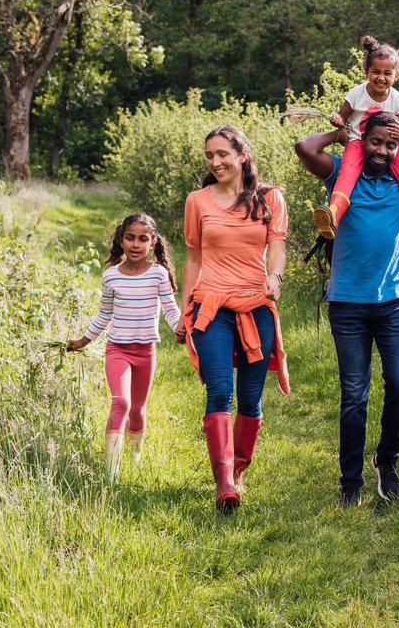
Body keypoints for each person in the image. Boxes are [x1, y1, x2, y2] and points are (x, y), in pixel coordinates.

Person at [295, 110, 399, 505]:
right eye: (376, 142)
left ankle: (386, 462)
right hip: (347, 303)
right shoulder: (342, 172)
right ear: (362, 143)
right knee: (354, 395)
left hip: (394, 303)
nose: (382, 151)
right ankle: (349, 483)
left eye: (389, 145)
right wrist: (342, 136)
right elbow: (305, 148)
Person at [175, 125, 289, 514]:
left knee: (251, 397)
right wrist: (182, 312)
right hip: (210, 307)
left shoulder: (269, 198)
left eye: (223, 153)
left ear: (242, 155)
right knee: (220, 388)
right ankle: (225, 485)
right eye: (209, 156)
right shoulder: (197, 201)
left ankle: (239, 470)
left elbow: (277, 248)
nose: (215, 162)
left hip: (256, 305)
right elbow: (192, 258)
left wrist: (274, 278)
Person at [67, 213, 181, 481]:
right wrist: (83, 340)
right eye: (130, 238)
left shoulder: (158, 274)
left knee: (138, 410)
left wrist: (180, 329)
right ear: (121, 240)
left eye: (143, 239)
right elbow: (103, 314)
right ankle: (111, 472)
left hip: (146, 352)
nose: (135, 244)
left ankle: (134, 456)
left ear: (153, 242)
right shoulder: (111, 276)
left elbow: (170, 310)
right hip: (117, 349)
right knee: (121, 402)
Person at [312, 35, 399, 242]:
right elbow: (343, 114)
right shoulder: (357, 93)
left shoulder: (396, 98)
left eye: (387, 73)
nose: (380, 77)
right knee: (347, 174)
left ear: (397, 75)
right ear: (367, 71)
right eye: (375, 72)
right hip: (358, 141)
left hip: (392, 145)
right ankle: (333, 215)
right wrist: (338, 120)